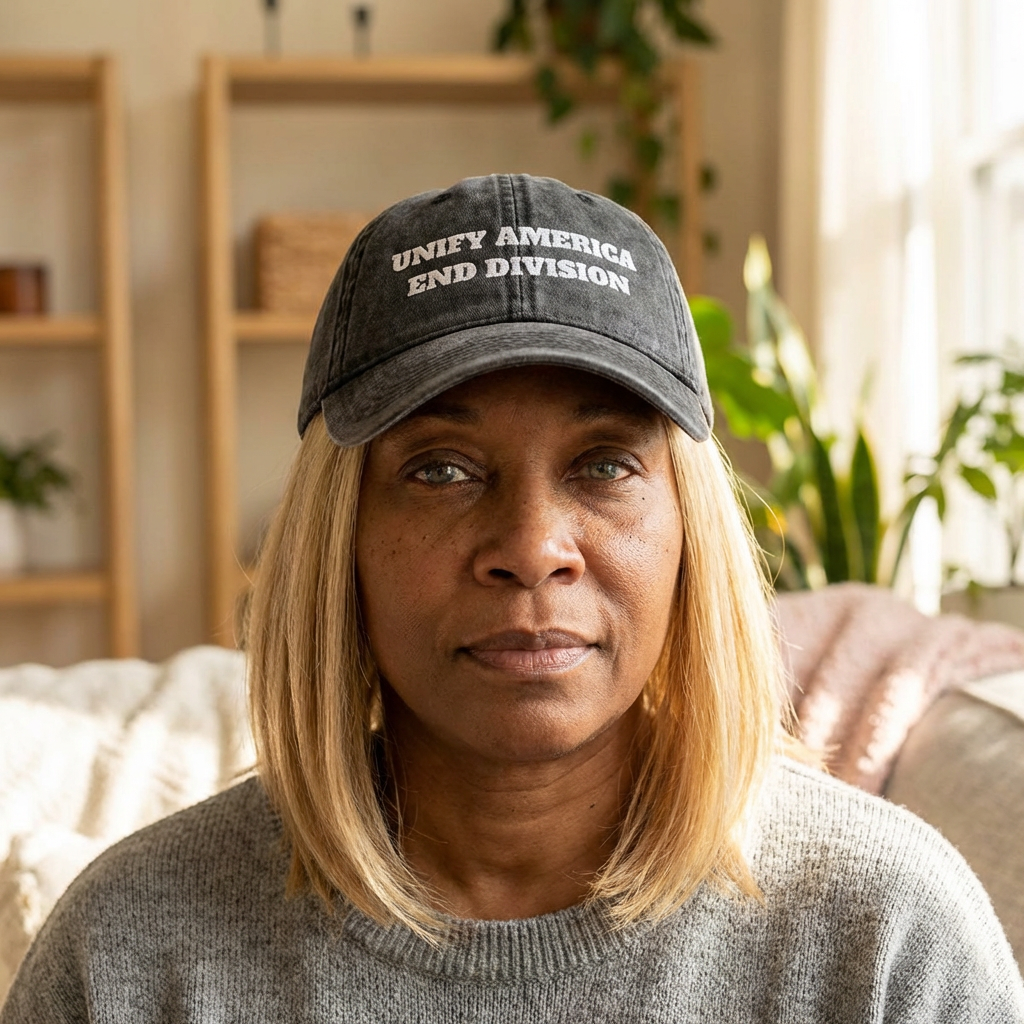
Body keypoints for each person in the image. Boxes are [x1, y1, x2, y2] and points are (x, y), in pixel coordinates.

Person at [2, 174, 1022, 1023]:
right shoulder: (126, 957)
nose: (532, 551)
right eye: (441, 469)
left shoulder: (888, 939)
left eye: (605, 464)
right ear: (336, 539)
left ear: (688, 531)